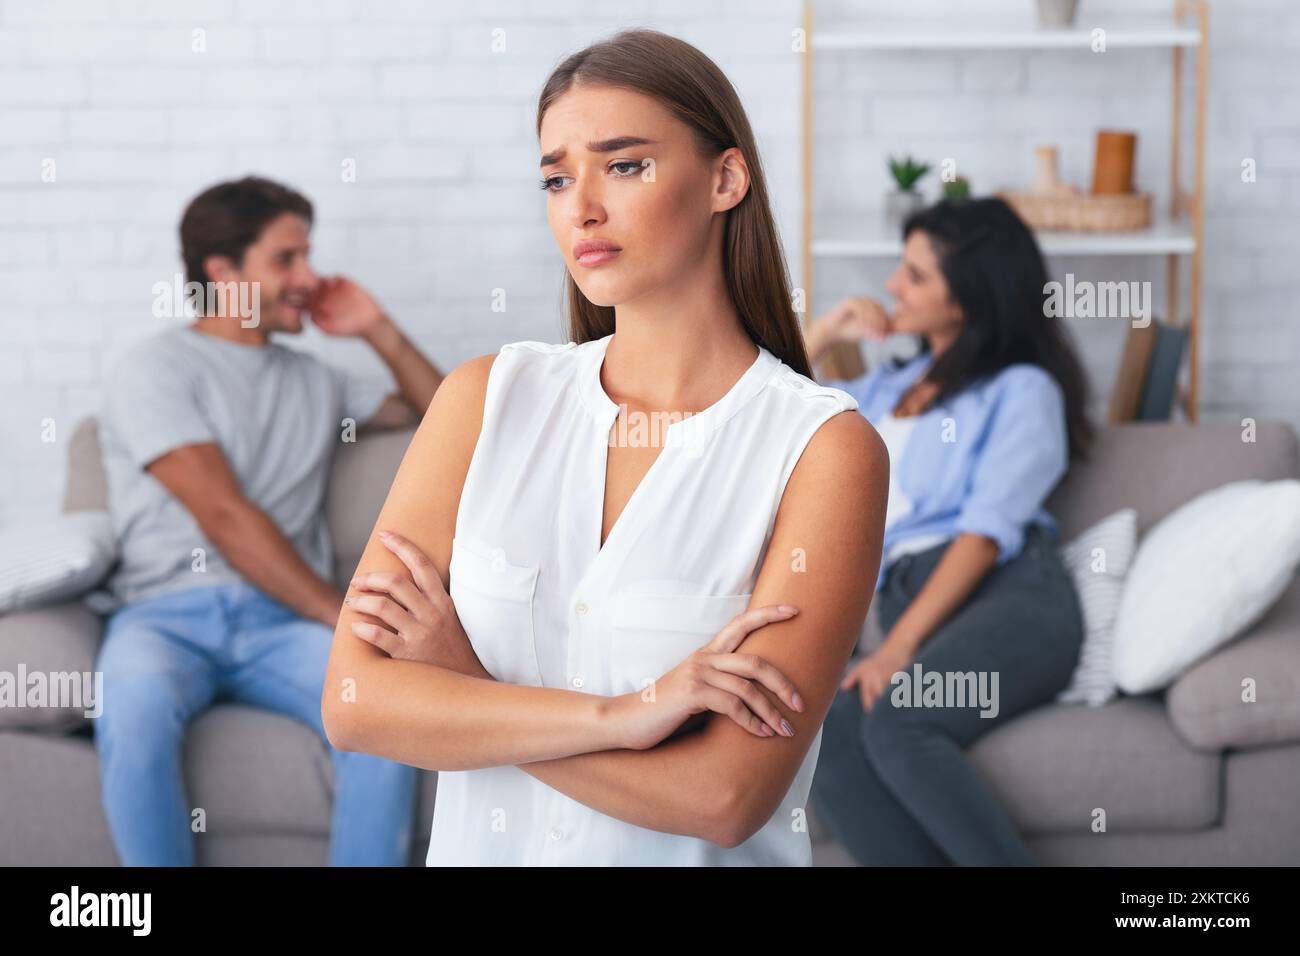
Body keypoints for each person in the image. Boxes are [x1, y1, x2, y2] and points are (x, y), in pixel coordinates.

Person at [321, 29, 889, 866]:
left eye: (624, 165)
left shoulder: (823, 450)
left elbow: (724, 797)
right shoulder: (484, 401)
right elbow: (355, 699)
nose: (581, 204)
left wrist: (467, 691)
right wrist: (623, 717)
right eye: (556, 177)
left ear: (725, 179)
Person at [95, 175, 443, 866]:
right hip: (167, 615)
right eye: (286, 260)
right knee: (130, 703)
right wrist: (337, 614)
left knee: (379, 709)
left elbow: (450, 420)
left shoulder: (318, 380)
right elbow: (224, 515)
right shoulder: (154, 368)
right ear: (224, 272)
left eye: (307, 257)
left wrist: (376, 328)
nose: (308, 278)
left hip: (279, 625)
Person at [804, 197, 1091, 866]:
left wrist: (896, 648)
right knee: (830, 738)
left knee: (902, 721)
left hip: (1008, 598)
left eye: (916, 275)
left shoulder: (1022, 391)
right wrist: (824, 335)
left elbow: (984, 534)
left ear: (969, 295)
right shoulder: (882, 390)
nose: (892, 287)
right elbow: (774, 425)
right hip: (908, 599)